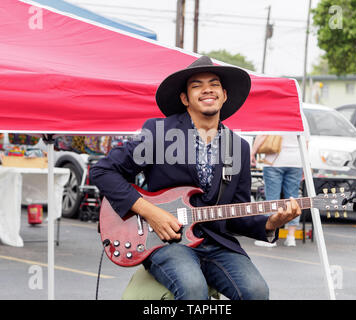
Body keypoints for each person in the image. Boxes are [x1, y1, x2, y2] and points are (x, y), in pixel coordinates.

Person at [90, 56, 301, 300]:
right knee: (192, 289)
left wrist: (271, 223)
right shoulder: (161, 132)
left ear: (223, 94)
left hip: (217, 243)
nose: (207, 89)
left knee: (256, 291)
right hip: (168, 242)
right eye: (196, 85)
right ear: (185, 98)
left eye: (214, 84)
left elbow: (235, 213)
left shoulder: (238, 148)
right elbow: (103, 171)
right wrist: (150, 212)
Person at [251, 118, 309, 247]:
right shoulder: (301, 116)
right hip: (296, 162)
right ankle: (291, 237)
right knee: (293, 199)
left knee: (272, 199)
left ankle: (270, 237)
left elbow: (263, 135)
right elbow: (305, 142)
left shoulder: (275, 112)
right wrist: (305, 165)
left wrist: (252, 153)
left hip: (274, 162)